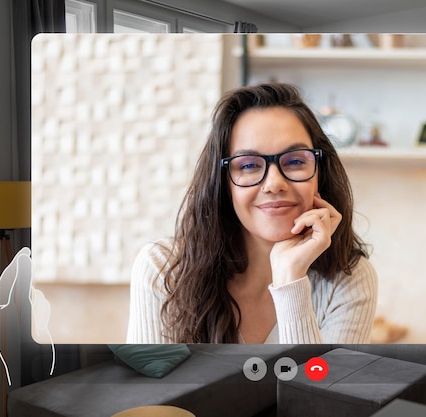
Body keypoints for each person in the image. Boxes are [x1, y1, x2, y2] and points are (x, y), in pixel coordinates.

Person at [127, 82, 377, 344]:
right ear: (223, 183)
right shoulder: (163, 270)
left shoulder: (349, 281)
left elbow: (314, 386)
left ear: (319, 174)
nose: (274, 184)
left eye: (294, 161)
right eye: (248, 165)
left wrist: (291, 282)